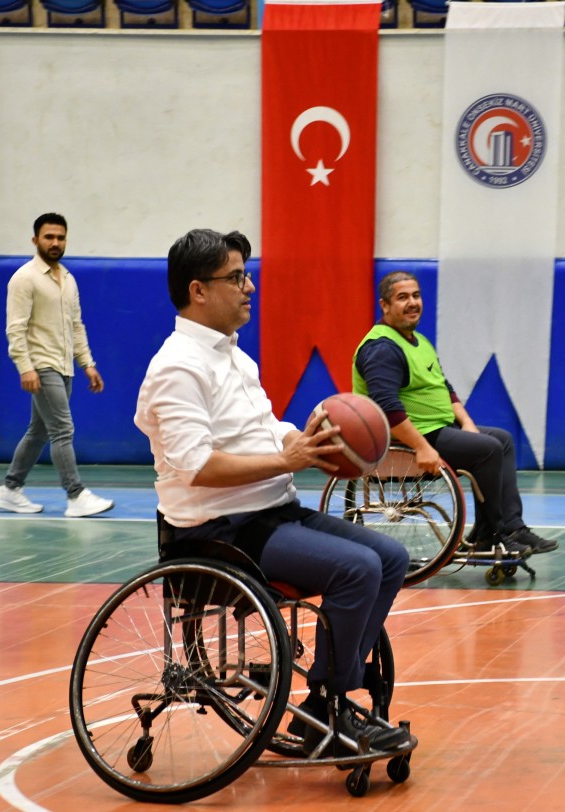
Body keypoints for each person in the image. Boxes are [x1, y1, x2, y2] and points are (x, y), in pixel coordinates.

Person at [134, 228, 412, 754]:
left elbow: (263, 425)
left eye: (247, 275)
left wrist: (305, 439)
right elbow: (196, 466)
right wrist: (287, 459)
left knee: (391, 556)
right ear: (198, 290)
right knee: (357, 569)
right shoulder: (176, 366)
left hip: (270, 512)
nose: (250, 287)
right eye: (236, 277)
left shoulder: (235, 358)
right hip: (216, 532)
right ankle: (333, 704)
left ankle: (321, 707)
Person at [352, 271, 558, 557]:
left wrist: (468, 423)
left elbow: (445, 389)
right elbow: (386, 409)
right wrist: (421, 448)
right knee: (487, 449)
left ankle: (511, 527)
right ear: (384, 305)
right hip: (408, 441)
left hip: (437, 428)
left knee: (502, 440)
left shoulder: (418, 342)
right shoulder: (382, 348)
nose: (412, 303)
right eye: (402, 298)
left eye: (416, 295)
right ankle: (495, 532)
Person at [0, 213, 113, 518]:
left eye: (60, 237)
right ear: (36, 240)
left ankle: (9, 489)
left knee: (39, 431)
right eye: (49, 237)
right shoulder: (24, 278)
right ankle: (75, 494)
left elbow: (76, 326)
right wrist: (25, 367)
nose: (55, 243)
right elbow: (15, 329)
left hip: (64, 367)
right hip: (42, 365)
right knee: (62, 428)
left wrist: (88, 364)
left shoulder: (68, 280)